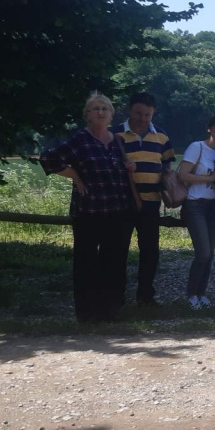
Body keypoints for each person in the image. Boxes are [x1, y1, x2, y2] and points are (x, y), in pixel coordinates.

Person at [40, 92, 132, 322]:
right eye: (95, 109)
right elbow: (48, 159)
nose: (101, 112)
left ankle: (110, 310)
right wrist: (73, 174)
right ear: (87, 115)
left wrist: (128, 166)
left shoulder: (118, 141)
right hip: (88, 211)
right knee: (86, 263)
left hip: (117, 210)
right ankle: (87, 313)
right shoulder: (80, 140)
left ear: (112, 114)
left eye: (105, 108)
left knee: (114, 262)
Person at [114, 91, 174, 307]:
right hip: (121, 201)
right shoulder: (115, 134)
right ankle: (116, 296)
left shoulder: (162, 136)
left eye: (147, 115)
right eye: (138, 113)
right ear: (129, 110)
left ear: (153, 113)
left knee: (150, 251)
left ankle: (146, 296)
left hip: (151, 201)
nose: (142, 119)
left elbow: (167, 164)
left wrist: (166, 182)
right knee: (118, 249)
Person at [177, 115, 215, 309]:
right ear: (209, 128)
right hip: (195, 204)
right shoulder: (197, 147)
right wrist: (211, 178)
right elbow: (182, 175)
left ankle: (201, 293)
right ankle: (191, 294)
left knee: (210, 253)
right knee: (203, 253)